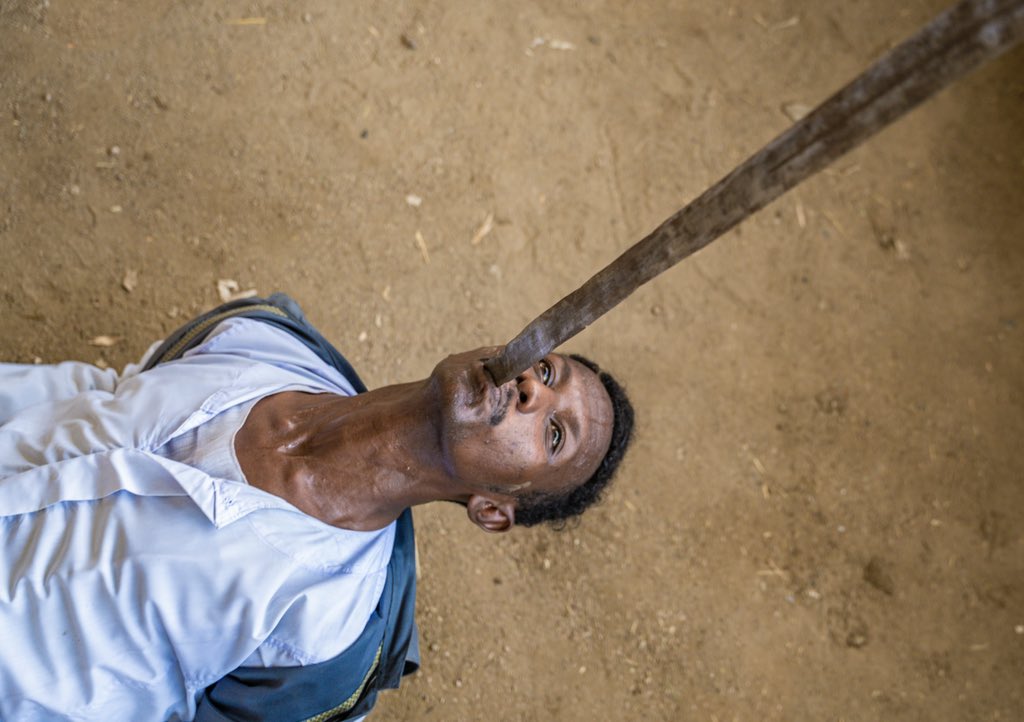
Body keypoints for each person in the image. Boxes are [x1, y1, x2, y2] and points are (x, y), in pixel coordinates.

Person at [0, 294, 634, 721]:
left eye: (554, 434)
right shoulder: (264, 337)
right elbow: (113, 390)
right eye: (548, 372)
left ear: (493, 509)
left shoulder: (329, 639)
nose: (530, 389)